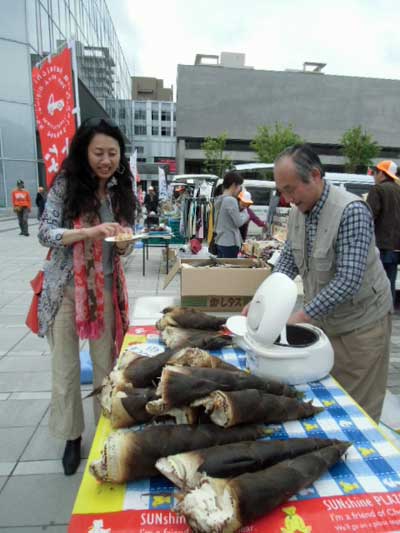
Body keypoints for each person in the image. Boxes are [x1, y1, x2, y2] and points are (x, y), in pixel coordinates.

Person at [37, 117, 138, 475]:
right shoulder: (65, 185)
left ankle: (104, 433)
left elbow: (127, 235)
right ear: (84, 151)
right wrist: (88, 232)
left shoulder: (122, 188)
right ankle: (71, 437)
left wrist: (125, 243)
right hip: (64, 289)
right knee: (64, 368)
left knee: (106, 368)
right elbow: (45, 233)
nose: (106, 160)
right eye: (99, 152)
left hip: (106, 290)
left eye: (113, 153)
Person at [271, 144, 392, 422]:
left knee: (356, 409)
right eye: (282, 191)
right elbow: (288, 259)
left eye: (291, 189)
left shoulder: (351, 211)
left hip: (361, 326)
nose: (287, 198)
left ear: (314, 175)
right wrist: (263, 301)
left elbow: (349, 279)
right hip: (326, 323)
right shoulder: (297, 212)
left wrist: (301, 316)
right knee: (327, 397)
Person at [366, 160, 400, 304]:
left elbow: (368, 216)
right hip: (396, 246)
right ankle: (388, 309)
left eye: (375, 172)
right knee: (389, 281)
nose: (373, 175)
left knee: (374, 281)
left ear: (382, 173)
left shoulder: (378, 189)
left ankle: (376, 311)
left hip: (380, 245)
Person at [214, 172, 249, 258]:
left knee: (222, 269)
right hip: (230, 242)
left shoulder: (220, 199)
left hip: (220, 241)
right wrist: (246, 214)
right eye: (239, 186)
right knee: (229, 270)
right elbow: (239, 222)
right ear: (234, 185)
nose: (240, 190)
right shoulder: (230, 200)